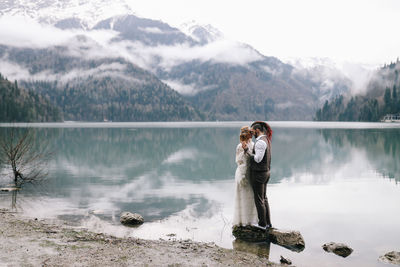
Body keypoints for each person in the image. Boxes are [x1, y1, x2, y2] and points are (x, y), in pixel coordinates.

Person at [242, 121, 273, 230]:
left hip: (259, 174)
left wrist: (246, 150)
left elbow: (257, 159)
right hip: (266, 172)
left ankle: (262, 224)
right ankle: (268, 223)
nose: (251, 133)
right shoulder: (266, 140)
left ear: (257, 130)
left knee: (259, 199)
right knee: (264, 198)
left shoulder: (260, 142)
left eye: (252, 131)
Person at [232, 126, 258, 226]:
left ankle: (248, 220)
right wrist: (242, 174)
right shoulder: (241, 146)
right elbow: (240, 161)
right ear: (248, 134)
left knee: (248, 196)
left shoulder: (251, 145)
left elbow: (243, 160)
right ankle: (245, 221)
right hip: (243, 173)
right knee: (244, 195)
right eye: (250, 133)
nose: (252, 134)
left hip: (248, 173)